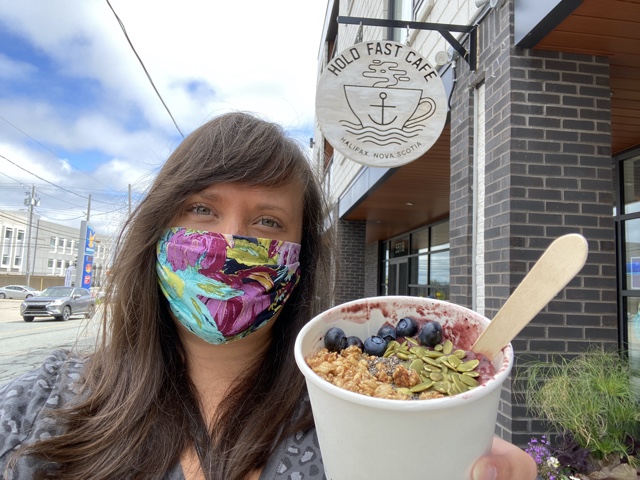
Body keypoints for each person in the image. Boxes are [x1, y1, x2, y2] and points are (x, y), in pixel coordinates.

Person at [0, 112, 537, 480]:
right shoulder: (41, 404)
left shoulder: (357, 418)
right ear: (158, 229)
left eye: (267, 221)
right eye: (203, 210)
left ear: (301, 257)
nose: (233, 243)